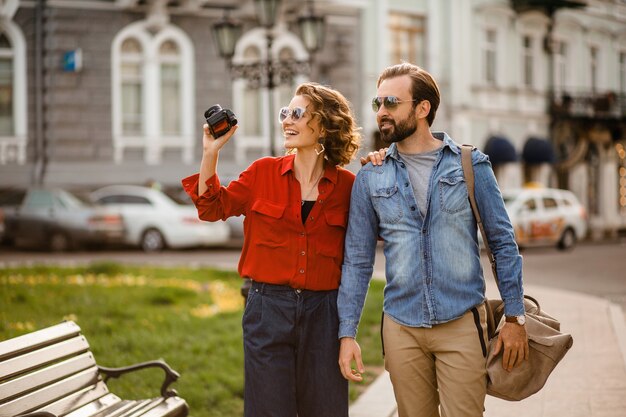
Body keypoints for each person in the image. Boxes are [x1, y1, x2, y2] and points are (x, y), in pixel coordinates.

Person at [337, 63, 529, 417]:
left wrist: (515, 318)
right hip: (401, 327)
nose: (381, 113)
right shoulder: (370, 176)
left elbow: (502, 244)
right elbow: (357, 261)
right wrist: (346, 333)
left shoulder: (471, 165)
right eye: (377, 104)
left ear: (422, 108)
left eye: (391, 103)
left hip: (460, 323)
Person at [182, 82, 361, 417]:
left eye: (297, 113)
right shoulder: (262, 172)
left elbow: (367, 250)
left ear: (323, 125)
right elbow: (210, 207)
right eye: (284, 113)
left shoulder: (349, 187)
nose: (286, 121)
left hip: (324, 313)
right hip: (267, 308)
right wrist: (211, 152)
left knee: (325, 409)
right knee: (268, 411)